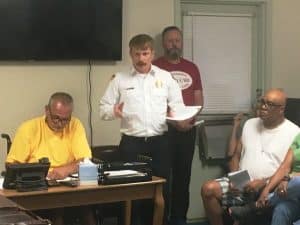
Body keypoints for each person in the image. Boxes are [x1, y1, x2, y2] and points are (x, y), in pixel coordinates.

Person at [99, 34, 185, 225]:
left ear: (152, 54)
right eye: (137, 54)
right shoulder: (120, 79)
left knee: (162, 190)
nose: (141, 58)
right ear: (131, 54)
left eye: (145, 53)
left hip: (160, 142)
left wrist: (177, 115)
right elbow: (103, 109)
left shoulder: (165, 77)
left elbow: (178, 106)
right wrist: (113, 111)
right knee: (131, 190)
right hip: (132, 143)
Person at [200, 88, 300, 225]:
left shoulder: (294, 132)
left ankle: (248, 211)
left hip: (269, 187)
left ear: (281, 109)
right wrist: (236, 178)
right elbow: (235, 155)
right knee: (208, 189)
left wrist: (264, 183)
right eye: (262, 102)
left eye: (269, 104)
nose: (263, 107)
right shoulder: (250, 124)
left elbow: (289, 170)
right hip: (242, 183)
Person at [6, 92, 96, 225]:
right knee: (56, 210)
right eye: (56, 118)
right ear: (47, 110)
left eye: (65, 120)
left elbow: (85, 159)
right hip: (36, 188)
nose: (60, 124)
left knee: (87, 207)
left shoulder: (75, 125)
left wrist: (65, 170)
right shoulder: (29, 128)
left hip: (67, 185)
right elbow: (11, 164)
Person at [152, 26, 203, 225]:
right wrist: (175, 121)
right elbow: (152, 103)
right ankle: (161, 219)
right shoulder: (155, 67)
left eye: (177, 40)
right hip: (163, 132)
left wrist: (187, 120)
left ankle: (179, 218)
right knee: (163, 178)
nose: (174, 44)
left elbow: (199, 101)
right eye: (170, 40)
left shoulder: (192, 67)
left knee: (183, 178)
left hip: (188, 131)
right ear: (164, 43)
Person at [231, 132, 300, 225]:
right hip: (295, 193)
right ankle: (258, 205)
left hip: (295, 182)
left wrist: (288, 178)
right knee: (281, 209)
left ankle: (255, 207)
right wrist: (270, 187)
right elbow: (285, 166)